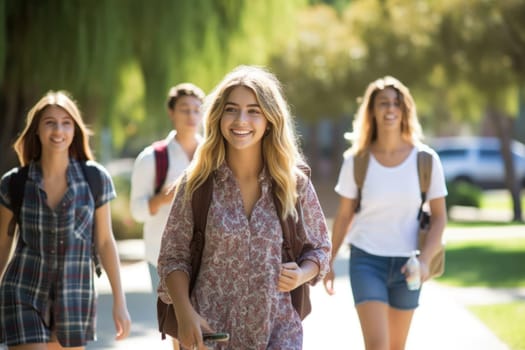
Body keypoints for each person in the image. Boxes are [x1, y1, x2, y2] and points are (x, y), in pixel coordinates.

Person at [157, 65, 331, 350]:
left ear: (270, 120)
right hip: (212, 334)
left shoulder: (293, 183)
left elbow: (320, 247)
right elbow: (173, 257)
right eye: (231, 109)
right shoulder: (197, 183)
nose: (241, 120)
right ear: (218, 116)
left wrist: (302, 274)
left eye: (254, 110)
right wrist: (185, 314)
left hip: (278, 331)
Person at [323, 76, 448, 350]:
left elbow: (439, 217)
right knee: (378, 346)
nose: (390, 109)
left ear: (405, 111)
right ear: (372, 111)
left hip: (410, 265)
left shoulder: (425, 160)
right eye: (383, 103)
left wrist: (425, 261)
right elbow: (344, 216)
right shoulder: (356, 160)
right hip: (367, 260)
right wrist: (329, 261)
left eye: (396, 103)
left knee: (396, 347)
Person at [0, 91, 131, 349]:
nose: (58, 129)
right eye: (50, 122)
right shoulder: (14, 183)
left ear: (75, 130)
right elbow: (2, 244)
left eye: (66, 122)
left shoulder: (95, 179)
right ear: (36, 129)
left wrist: (120, 301)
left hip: (74, 294)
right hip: (22, 290)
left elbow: (105, 242)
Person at [130, 82, 205, 350]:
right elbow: (137, 211)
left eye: (197, 110)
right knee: (179, 327)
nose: (191, 116)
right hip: (161, 256)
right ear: (171, 112)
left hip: (207, 254)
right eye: (185, 109)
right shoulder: (152, 158)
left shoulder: (213, 154)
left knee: (209, 324)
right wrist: (164, 198)